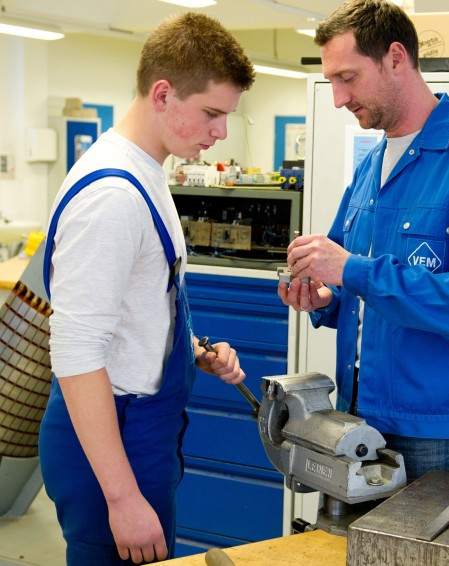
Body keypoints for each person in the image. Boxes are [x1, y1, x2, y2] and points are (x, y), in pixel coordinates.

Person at [278, 0, 449, 483]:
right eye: (332, 81)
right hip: (358, 419)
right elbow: (356, 288)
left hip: (441, 435)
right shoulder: (370, 166)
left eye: (348, 78)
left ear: (396, 58)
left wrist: (352, 270)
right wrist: (325, 297)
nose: (337, 98)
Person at [38, 13, 254, 565]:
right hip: (114, 444)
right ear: (163, 93)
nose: (220, 132)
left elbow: (134, 306)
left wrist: (191, 349)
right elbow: (77, 352)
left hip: (143, 429)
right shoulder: (113, 195)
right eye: (212, 112)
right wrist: (123, 496)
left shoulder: (149, 172)